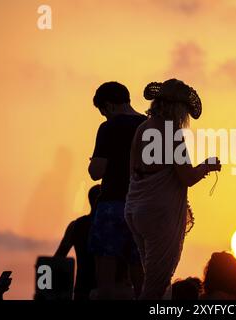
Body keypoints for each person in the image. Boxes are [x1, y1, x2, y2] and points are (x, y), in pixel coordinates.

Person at [125, 79, 221, 299]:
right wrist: (208, 164)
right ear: (178, 108)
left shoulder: (142, 128)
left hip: (134, 209)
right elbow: (187, 176)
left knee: (150, 277)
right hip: (158, 213)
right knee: (156, 285)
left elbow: (133, 171)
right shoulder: (173, 133)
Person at [88, 82, 147, 299]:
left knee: (106, 280)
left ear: (109, 106)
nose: (104, 116)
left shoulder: (109, 127)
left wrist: (92, 162)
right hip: (142, 207)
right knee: (141, 277)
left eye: (103, 111)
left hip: (113, 205)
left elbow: (97, 171)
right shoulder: (149, 126)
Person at [54, 184, 101, 300]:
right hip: (106, 291)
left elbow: (58, 258)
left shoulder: (75, 226)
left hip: (82, 290)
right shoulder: (113, 226)